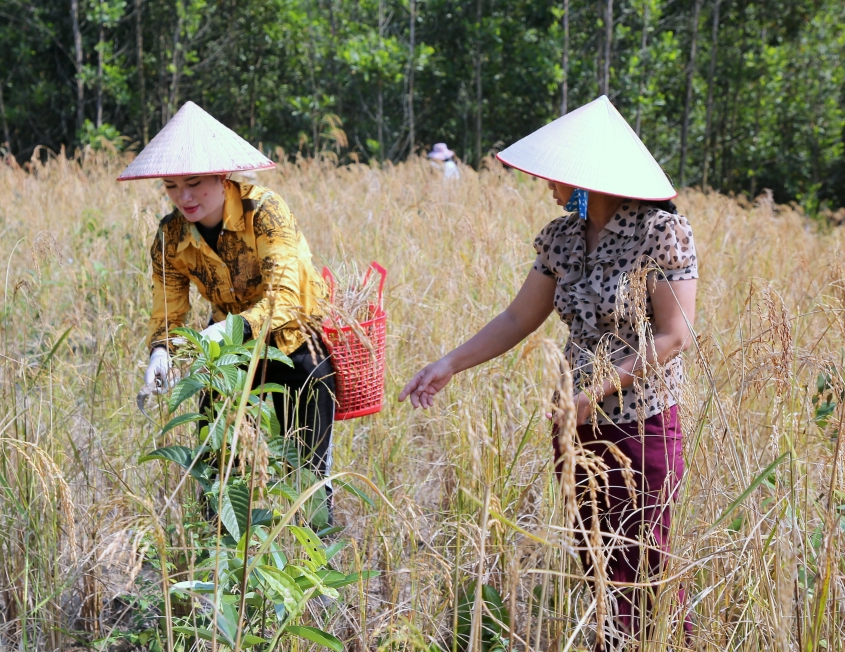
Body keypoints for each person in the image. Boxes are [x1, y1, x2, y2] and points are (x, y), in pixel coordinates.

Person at [400, 96, 697, 647]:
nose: (548, 185)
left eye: (556, 174)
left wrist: (599, 391)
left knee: (645, 560)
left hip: (643, 418)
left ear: (591, 176)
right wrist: (449, 364)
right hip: (573, 415)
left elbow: (673, 336)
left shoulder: (661, 233)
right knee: (595, 555)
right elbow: (519, 316)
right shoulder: (561, 236)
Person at [119, 101, 336, 520]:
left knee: (306, 469)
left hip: (293, 343)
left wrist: (226, 331)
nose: (184, 197)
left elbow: (284, 298)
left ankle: (313, 561)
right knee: (218, 461)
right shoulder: (170, 236)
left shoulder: (264, 212)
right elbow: (168, 310)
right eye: (171, 186)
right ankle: (218, 558)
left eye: (195, 183)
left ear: (222, 178)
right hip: (228, 354)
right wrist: (161, 350)